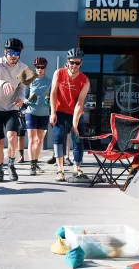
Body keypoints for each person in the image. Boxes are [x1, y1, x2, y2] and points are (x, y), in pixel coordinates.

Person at [0, 38, 28, 182]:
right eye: (11, 52)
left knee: (12, 138)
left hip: (11, 107)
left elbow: (22, 88)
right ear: (5, 52)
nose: (14, 55)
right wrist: (3, 83)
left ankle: (11, 164)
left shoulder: (24, 68)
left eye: (17, 52)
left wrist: (21, 99)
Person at [50, 48, 90, 182]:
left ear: (81, 63)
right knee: (58, 137)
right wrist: (53, 112)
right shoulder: (59, 73)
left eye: (77, 63)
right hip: (60, 111)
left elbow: (80, 103)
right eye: (72, 62)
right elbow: (53, 93)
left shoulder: (85, 81)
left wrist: (74, 124)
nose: (74, 66)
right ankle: (60, 170)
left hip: (76, 113)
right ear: (68, 61)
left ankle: (77, 168)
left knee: (78, 139)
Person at [24, 57, 52, 175]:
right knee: (31, 140)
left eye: (42, 67)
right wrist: (28, 101)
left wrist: (49, 101)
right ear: (34, 68)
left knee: (39, 140)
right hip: (31, 113)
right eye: (38, 67)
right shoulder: (30, 81)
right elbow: (22, 97)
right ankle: (32, 165)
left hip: (44, 114)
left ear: (45, 68)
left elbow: (53, 97)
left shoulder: (49, 81)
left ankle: (35, 162)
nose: (40, 69)